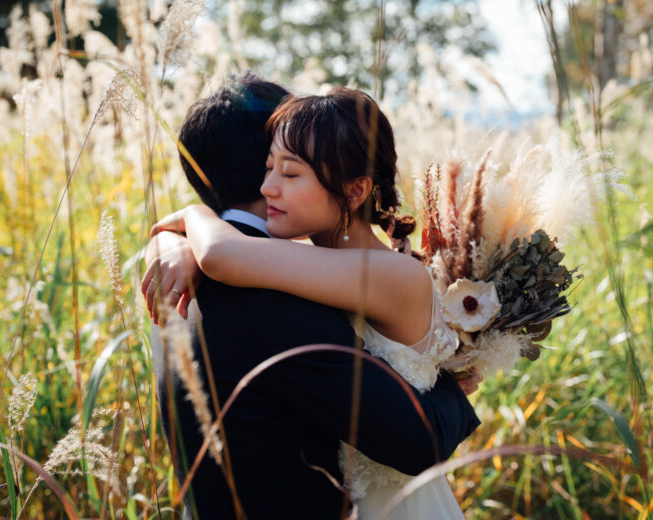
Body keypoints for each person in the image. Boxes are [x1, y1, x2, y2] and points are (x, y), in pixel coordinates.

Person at [144, 75, 480, 519]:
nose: (271, 186)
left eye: (290, 170)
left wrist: (195, 215)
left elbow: (224, 253)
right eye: (270, 166)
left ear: (351, 186)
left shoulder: (192, 270)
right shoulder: (281, 280)